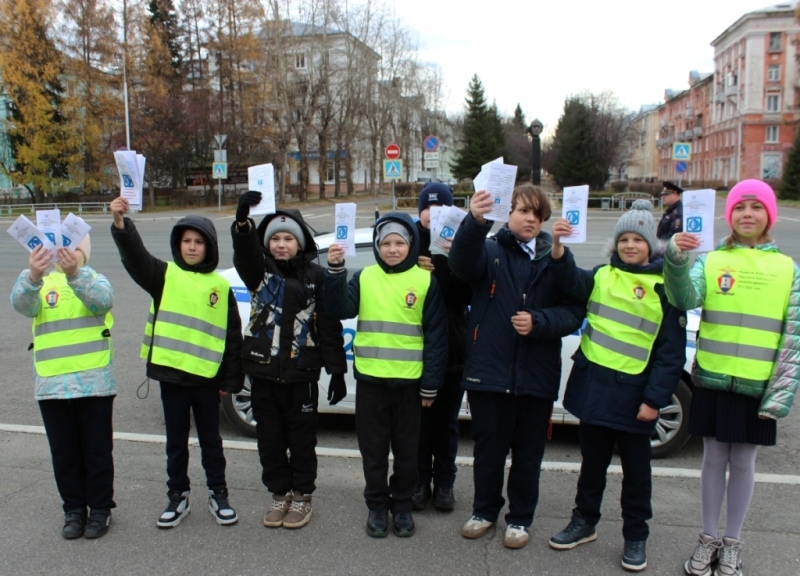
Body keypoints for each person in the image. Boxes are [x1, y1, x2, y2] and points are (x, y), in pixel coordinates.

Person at [662, 179, 799, 576]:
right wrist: (675, 259)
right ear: (730, 215)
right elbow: (684, 298)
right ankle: (707, 539)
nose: (748, 214)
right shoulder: (713, 260)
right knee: (713, 459)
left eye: (757, 207)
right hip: (714, 378)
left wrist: (781, 394)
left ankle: (733, 542)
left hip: (757, 386)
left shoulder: (788, 268)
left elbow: (794, 336)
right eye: (740, 207)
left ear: (768, 216)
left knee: (743, 462)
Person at [546, 200, 687, 572]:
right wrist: (558, 247)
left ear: (650, 245)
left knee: (637, 474)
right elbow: (570, 281)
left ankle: (636, 536)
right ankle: (584, 522)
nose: (629, 246)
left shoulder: (664, 287)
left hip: (635, 396)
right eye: (623, 239)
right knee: (591, 465)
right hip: (596, 387)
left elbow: (670, 354)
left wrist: (655, 400)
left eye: (636, 240)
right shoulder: (602, 275)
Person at [448, 184, 584, 550]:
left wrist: (539, 322)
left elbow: (574, 311)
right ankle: (484, 511)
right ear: (508, 213)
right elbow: (460, 264)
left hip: (536, 376)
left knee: (527, 456)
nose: (530, 219)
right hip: (488, 374)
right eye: (523, 211)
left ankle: (520, 519)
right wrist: (474, 221)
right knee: (488, 452)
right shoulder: (489, 251)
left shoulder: (554, 257)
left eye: (537, 214)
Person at [110, 196, 243, 529]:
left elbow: (232, 336)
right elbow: (136, 259)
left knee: (212, 442)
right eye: (187, 241)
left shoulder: (220, 285)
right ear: (178, 245)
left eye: (199, 242)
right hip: (172, 378)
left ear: (209, 247)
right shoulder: (164, 275)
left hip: (207, 380)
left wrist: (231, 380)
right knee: (175, 443)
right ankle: (177, 496)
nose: (193, 247)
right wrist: (121, 225)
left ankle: (219, 493)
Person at [324, 212, 447, 538]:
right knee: (374, 454)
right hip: (371, 383)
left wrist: (430, 385)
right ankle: (377, 507)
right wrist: (335, 270)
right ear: (378, 246)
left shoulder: (424, 280)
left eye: (400, 243)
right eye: (386, 243)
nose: (393, 249)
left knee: (407, 456)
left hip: (409, 385)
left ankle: (402, 507)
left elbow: (436, 336)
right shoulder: (365, 276)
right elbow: (341, 309)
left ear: (411, 245)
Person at [231, 191, 347, 530]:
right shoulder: (259, 273)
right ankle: (279, 493)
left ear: (300, 243)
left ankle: (302, 496)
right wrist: (242, 224)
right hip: (263, 375)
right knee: (269, 441)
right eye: (275, 239)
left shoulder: (316, 277)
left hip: (302, 377)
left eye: (288, 238)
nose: (282, 244)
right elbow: (245, 254)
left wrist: (336, 372)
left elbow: (328, 327)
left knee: (301, 442)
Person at [11, 236, 116, 540]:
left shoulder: (93, 278)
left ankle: (99, 509)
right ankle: (73, 509)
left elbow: (103, 301)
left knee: (97, 451)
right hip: (52, 383)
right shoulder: (40, 282)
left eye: (72, 248)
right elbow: (21, 304)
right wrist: (33, 274)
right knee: (64, 452)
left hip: (94, 382)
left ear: (81, 251)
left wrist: (75, 275)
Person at [412, 182, 472, 512]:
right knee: (419, 425)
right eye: (428, 209)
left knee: (447, 424)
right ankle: (420, 481)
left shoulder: (458, 243)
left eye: (440, 209)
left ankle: (445, 483)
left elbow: (466, 294)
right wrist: (415, 268)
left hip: (453, 349)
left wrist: (448, 264)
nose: (433, 215)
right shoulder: (407, 242)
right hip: (416, 350)